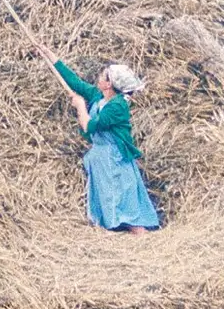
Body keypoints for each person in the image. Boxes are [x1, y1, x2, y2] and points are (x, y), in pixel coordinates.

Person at [28, 39, 160, 233]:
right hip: (101, 156)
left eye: (103, 76)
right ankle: (116, 227)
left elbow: (89, 126)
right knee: (108, 193)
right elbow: (74, 82)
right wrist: (49, 54)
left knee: (122, 193)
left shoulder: (117, 107)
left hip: (115, 156)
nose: (99, 76)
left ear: (109, 84)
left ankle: (138, 231)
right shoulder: (99, 97)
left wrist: (81, 106)